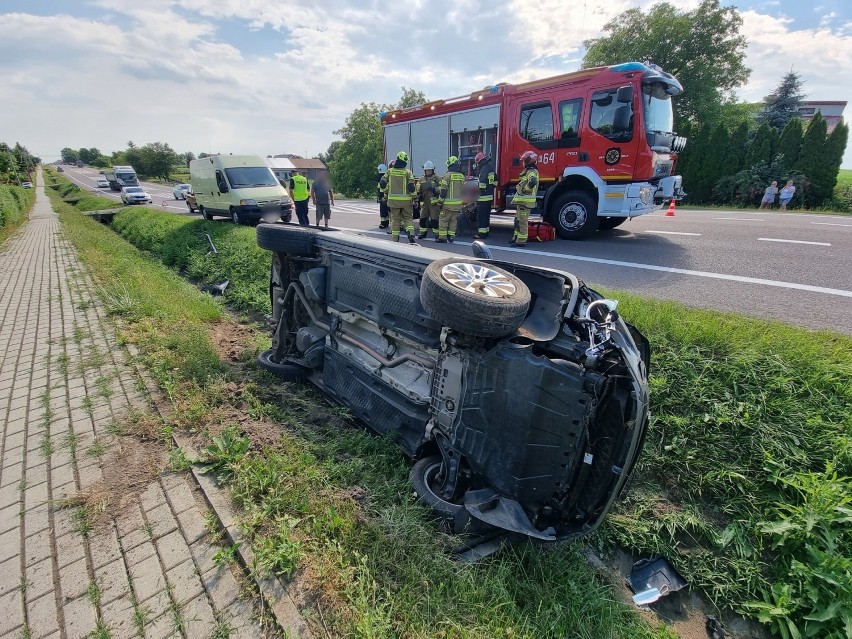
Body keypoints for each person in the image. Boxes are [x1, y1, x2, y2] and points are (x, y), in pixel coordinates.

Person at [379, 151, 417, 244]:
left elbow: (382, 183)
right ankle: (411, 233)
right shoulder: (408, 172)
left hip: (393, 202)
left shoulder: (390, 172)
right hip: (406, 202)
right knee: (408, 218)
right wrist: (415, 199)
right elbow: (411, 187)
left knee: (395, 219)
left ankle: (395, 239)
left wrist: (385, 193)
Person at [511, 151, 539, 246]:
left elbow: (533, 182)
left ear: (529, 161)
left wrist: (525, 189)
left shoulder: (532, 172)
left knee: (522, 221)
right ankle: (516, 238)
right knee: (517, 220)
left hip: (526, 202)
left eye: (524, 161)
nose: (523, 163)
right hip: (522, 202)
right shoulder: (528, 171)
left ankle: (521, 241)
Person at [436, 156, 465, 243]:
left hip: (447, 204)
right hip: (457, 204)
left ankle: (442, 237)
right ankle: (451, 237)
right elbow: (463, 190)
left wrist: (440, 202)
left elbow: (443, 191)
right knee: (453, 221)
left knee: (444, 220)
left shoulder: (447, 176)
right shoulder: (461, 176)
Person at [473, 152, 496, 239]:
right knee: (486, 216)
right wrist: (489, 189)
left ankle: (482, 234)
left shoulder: (483, 170)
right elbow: (495, 181)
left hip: (482, 198)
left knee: (481, 216)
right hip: (489, 197)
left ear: (480, 161)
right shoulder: (490, 168)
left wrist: (478, 191)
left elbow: (482, 184)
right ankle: (486, 232)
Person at [417, 161, 441, 239]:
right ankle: (423, 233)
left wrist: (435, 189)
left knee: (434, 220)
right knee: (422, 219)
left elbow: (443, 188)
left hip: (433, 204)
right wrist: (419, 191)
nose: (428, 172)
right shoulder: (421, 179)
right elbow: (417, 188)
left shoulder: (437, 178)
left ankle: (436, 234)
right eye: (427, 171)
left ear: (433, 170)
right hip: (424, 203)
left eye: (430, 170)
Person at [376, 163, 389, 229]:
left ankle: (383, 223)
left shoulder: (380, 178)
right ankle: (386, 222)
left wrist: (380, 198)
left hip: (383, 197)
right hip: (387, 197)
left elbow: (380, 189)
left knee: (383, 211)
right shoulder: (387, 176)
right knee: (387, 210)